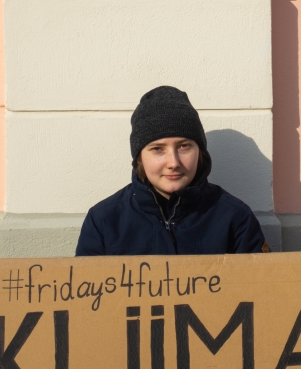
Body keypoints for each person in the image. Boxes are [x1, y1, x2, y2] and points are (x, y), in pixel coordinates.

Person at [76, 86, 270, 255]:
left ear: (200, 152)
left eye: (184, 146)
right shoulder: (104, 220)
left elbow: (261, 282)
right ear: (139, 157)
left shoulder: (235, 217)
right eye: (158, 149)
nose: (173, 162)